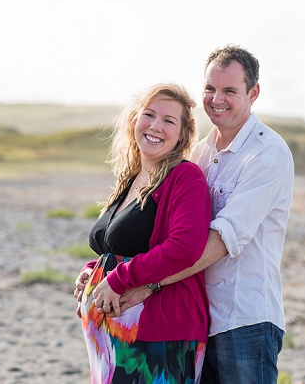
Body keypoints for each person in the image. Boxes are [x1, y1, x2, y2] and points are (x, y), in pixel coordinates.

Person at [110, 46, 294, 384]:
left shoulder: (267, 154)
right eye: (210, 88)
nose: (216, 99)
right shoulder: (200, 152)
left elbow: (220, 240)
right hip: (199, 317)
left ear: (253, 93)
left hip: (245, 319)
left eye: (229, 91)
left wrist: (149, 284)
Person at [73, 83, 212, 384]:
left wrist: (118, 278)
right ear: (135, 120)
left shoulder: (185, 177)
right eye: (149, 114)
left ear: (182, 135)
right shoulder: (133, 179)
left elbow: (185, 247)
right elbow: (121, 246)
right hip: (114, 337)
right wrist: (93, 272)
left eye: (169, 120)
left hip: (159, 334)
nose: (156, 126)